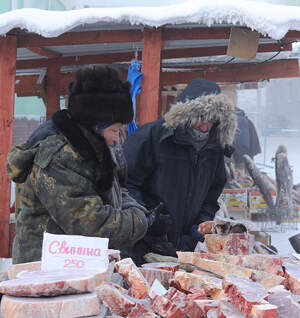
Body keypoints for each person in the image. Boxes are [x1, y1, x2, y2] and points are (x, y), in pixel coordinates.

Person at [6, 65, 152, 263]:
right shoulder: (59, 157)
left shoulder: (100, 148)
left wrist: (139, 212)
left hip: (77, 264)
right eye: (115, 131)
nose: (118, 139)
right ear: (94, 126)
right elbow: (92, 225)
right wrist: (142, 221)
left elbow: (119, 192)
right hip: (44, 270)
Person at [123, 78, 237, 264]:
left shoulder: (215, 148)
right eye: (200, 118)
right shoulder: (152, 137)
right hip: (140, 242)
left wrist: (199, 226)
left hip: (184, 245)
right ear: (186, 113)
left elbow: (212, 194)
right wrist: (148, 221)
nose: (205, 126)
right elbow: (126, 184)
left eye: (212, 120)